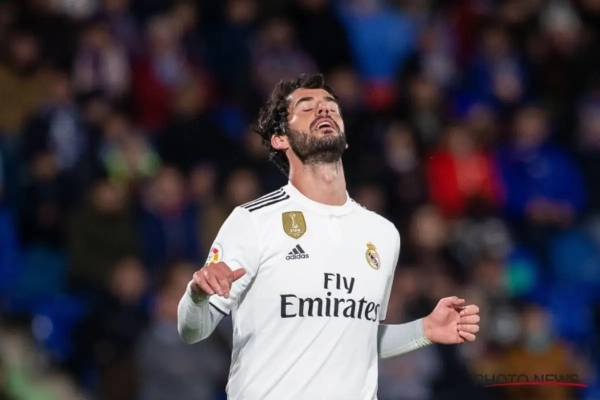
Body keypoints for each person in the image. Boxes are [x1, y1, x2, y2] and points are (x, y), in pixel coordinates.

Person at [177, 73, 481, 400]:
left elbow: (357, 338)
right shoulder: (254, 221)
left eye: (331, 106)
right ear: (280, 138)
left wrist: (425, 330)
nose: (323, 110)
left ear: (344, 137)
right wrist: (198, 295)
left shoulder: (382, 234)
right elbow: (192, 330)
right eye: (307, 107)